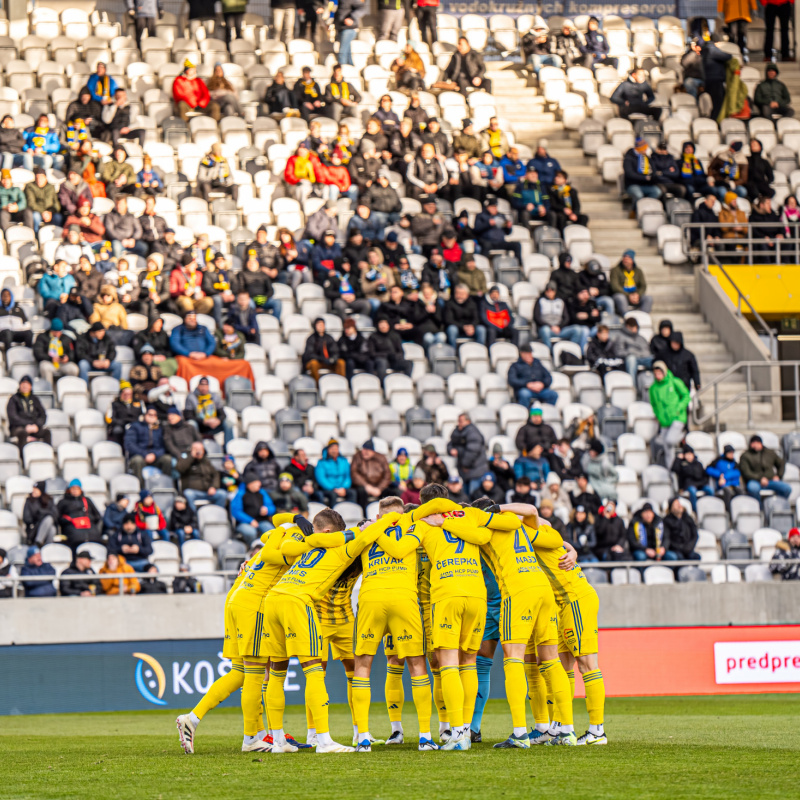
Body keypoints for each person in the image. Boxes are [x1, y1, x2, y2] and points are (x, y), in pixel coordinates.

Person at [649, 361, 691, 466]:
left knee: (669, 440)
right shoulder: (653, 388)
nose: (658, 376)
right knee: (668, 450)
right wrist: (658, 415)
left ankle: (682, 435)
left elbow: (686, 395)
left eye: (660, 372)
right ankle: (672, 472)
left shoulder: (675, 382)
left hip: (677, 417)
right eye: (656, 373)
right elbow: (654, 404)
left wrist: (679, 408)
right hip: (664, 422)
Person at [124, 405, 173, 483]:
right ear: (145, 415)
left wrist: (154, 454)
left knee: (167, 459)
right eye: (150, 414)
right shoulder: (135, 426)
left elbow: (164, 446)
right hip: (140, 455)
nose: (152, 417)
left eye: (154, 415)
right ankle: (141, 489)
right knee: (137, 461)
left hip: (155, 457)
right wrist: (145, 454)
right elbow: (129, 444)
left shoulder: (160, 428)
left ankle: (165, 485)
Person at [177, 441, 228, 512]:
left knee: (222, 494)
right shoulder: (185, 458)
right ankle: (194, 518)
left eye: (201, 449)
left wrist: (213, 487)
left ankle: (216, 515)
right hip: (193, 492)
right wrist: (191, 457)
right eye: (196, 449)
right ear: (191, 449)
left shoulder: (206, 461)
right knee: (188, 493)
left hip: (207, 491)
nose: (199, 451)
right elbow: (180, 469)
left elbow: (215, 474)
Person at [447, 412, 490, 494]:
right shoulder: (457, 431)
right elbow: (450, 444)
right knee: (467, 497)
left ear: (468, 421)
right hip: (465, 471)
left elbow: (472, 451)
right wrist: (451, 450)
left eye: (461, 421)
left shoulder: (473, 432)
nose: (459, 423)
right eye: (458, 421)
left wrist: (465, 465)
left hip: (475, 469)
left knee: (474, 496)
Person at [739, 434, 791, 501]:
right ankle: (759, 508)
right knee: (753, 488)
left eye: (757, 443)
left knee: (787, 489)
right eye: (753, 443)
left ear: (761, 443)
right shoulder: (745, 456)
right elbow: (746, 472)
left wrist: (778, 475)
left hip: (770, 480)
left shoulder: (769, 453)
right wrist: (760, 478)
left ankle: (777, 504)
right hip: (754, 481)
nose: (755, 445)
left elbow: (781, 463)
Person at [57, 479, 103, 551]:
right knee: (77, 538)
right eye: (73, 488)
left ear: (81, 490)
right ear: (69, 490)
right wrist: (68, 520)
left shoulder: (87, 500)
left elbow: (97, 515)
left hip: (89, 526)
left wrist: (90, 519)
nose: (75, 490)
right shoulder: (63, 502)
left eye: (77, 488)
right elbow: (57, 517)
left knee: (95, 539)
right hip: (71, 526)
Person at [185, 376, 234, 444]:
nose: (204, 388)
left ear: (208, 386)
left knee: (228, 423)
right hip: (199, 425)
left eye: (206, 385)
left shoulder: (214, 396)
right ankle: (196, 447)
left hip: (213, 424)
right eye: (202, 385)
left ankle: (228, 449)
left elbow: (223, 414)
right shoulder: (191, 397)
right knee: (191, 423)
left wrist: (218, 420)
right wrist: (204, 421)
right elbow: (188, 416)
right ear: (198, 386)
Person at [231, 471, 276, 545]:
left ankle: (265, 549)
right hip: (245, 523)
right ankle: (252, 549)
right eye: (256, 483)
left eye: (259, 482)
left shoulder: (262, 492)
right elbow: (236, 511)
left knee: (270, 531)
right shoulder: (240, 494)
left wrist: (267, 510)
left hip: (261, 520)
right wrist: (250, 521)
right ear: (249, 484)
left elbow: (272, 507)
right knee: (250, 532)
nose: (259, 484)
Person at [7, 375, 49, 453]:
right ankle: (23, 459)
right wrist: (27, 425)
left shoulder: (35, 399)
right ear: (19, 385)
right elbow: (13, 417)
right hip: (18, 427)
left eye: (27, 384)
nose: (25, 386)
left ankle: (47, 455)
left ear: (31, 386)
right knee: (22, 433)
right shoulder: (13, 399)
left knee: (46, 432)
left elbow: (43, 415)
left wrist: (37, 425)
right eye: (23, 383)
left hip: (34, 427)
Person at [474, 195, 521, 262]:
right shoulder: (481, 215)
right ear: (487, 207)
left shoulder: (501, 215)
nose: (495, 209)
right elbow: (476, 229)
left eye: (495, 207)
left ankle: (519, 264)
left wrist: (508, 227)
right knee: (486, 245)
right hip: (487, 241)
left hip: (500, 241)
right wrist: (488, 223)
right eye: (492, 207)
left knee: (516, 245)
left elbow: (508, 233)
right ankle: (483, 264)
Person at [33, 317, 79, 385]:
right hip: (49, 362)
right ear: (51, 330)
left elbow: (72, 352)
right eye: (55, 331)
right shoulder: (42, 337)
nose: (57, 334)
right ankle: (49, 390)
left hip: (63, 363)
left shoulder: (66, 338)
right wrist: (50, 358)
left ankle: (67, 389)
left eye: (59, 332)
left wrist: (67, 358)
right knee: (45, 367)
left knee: (74, 369)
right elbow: (37, 353)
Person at [366, 315, 413, 382]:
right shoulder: (373, 337)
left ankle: (407, 382)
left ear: (388, 325)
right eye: (381, 324)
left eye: (385, 324)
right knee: (382, 362)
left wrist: (396, 356)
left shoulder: (395, 335)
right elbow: (372, 353)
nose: (383, 326)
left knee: (408, 363)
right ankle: (382, 385)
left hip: (394, 360)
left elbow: (401, 352)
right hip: (381, 359)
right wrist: (386, 355)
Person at [351, 439, 394, 509]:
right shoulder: (357, 457)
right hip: (363, 486)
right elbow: (354, 473)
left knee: (391, 492)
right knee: (361, 492)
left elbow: (387, 475)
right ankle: (363, 513)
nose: (365, 452)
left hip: (379, 486)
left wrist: (379, 488)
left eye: (367, 450)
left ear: (373, 451)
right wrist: (366, 486)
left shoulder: (381, 458)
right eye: (363, 449)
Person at [303, 317, 346, 383]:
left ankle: (340, 383)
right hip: (318, 361)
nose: (321, 327)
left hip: (329, 361)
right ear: (315, 326)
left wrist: (333, 359)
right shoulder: (311, 339)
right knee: (313, 364)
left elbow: (335, 351)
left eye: (322, 325)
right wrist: (322, 359)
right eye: (319, 325)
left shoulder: (329, 338)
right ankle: (317, 385)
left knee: (341, 362)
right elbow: (309, 354)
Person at [609, 250, 652, 315]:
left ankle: (643, 318)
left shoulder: (638, 271)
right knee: (620, 297)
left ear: (632, 260)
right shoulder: (615, 270)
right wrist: (628, 295)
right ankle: (627, 318)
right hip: (622, 295)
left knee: (648, 298)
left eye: (628, 259)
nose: (625, 260)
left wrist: (638, 295)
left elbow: (643, 286)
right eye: (624, 258)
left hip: (636, 295)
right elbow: (615, 286)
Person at [316, 438, 357, 505]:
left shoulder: (344, 461)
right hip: (329, 488)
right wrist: (334, 488)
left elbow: (347, 476)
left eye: (336, 449)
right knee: (333, 495)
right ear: (328, 449)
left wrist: (344, 487)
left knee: (352, 493)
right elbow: (321, 478)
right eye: (332, 449)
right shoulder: (322, 462)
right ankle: (333, 514)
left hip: (342, 487)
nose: (334, 451)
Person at [623, 139, 662, 210]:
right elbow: (630, 174)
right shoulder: (628, 158)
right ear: (639, 148)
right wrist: (644, 178)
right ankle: (635, 211)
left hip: (646, 184)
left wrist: (653, 177)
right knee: (638, 195)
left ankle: (647, 209)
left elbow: (653, 169)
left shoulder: (646, 157)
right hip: (632, 184)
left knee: (657, 192)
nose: (645, 150)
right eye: (644, 149)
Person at [24, 167, 62, 234]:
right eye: (37, 178)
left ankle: (56, 235)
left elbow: (56, 203)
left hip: (50, 212)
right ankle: (36, 235)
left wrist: (50, 212)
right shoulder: (30, 186)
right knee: (35, 217)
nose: (39, 180)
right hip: (37, 211)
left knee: (58, 217)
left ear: (45, 178)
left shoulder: (51, 187)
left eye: (41, 178)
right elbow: (31, 203)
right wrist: (42, 212)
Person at [616, 316, 653, 380]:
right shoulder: (620, 337)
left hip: (643, 358)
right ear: (627, 326)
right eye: (632, 327)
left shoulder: (641, 338)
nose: (634, 329)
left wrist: (642, 355)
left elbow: (647, 351)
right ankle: (632, 386)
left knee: (655, 360)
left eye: (635, 327)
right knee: (631, 359)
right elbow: (619, 352)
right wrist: (631, 353)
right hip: (630, 359)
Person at [22, 482, 57, 546]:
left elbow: (55, 514)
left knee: (51, 526)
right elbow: (26, 518)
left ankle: (43, 544)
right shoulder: (29, 501)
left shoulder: (49, 500)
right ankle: (39, 543)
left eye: (36, 489)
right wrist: (38, 518)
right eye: (33, 489)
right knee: (49, 521)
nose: (33, 491)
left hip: (47, 526)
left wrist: (42, 515)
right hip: (34, 528)